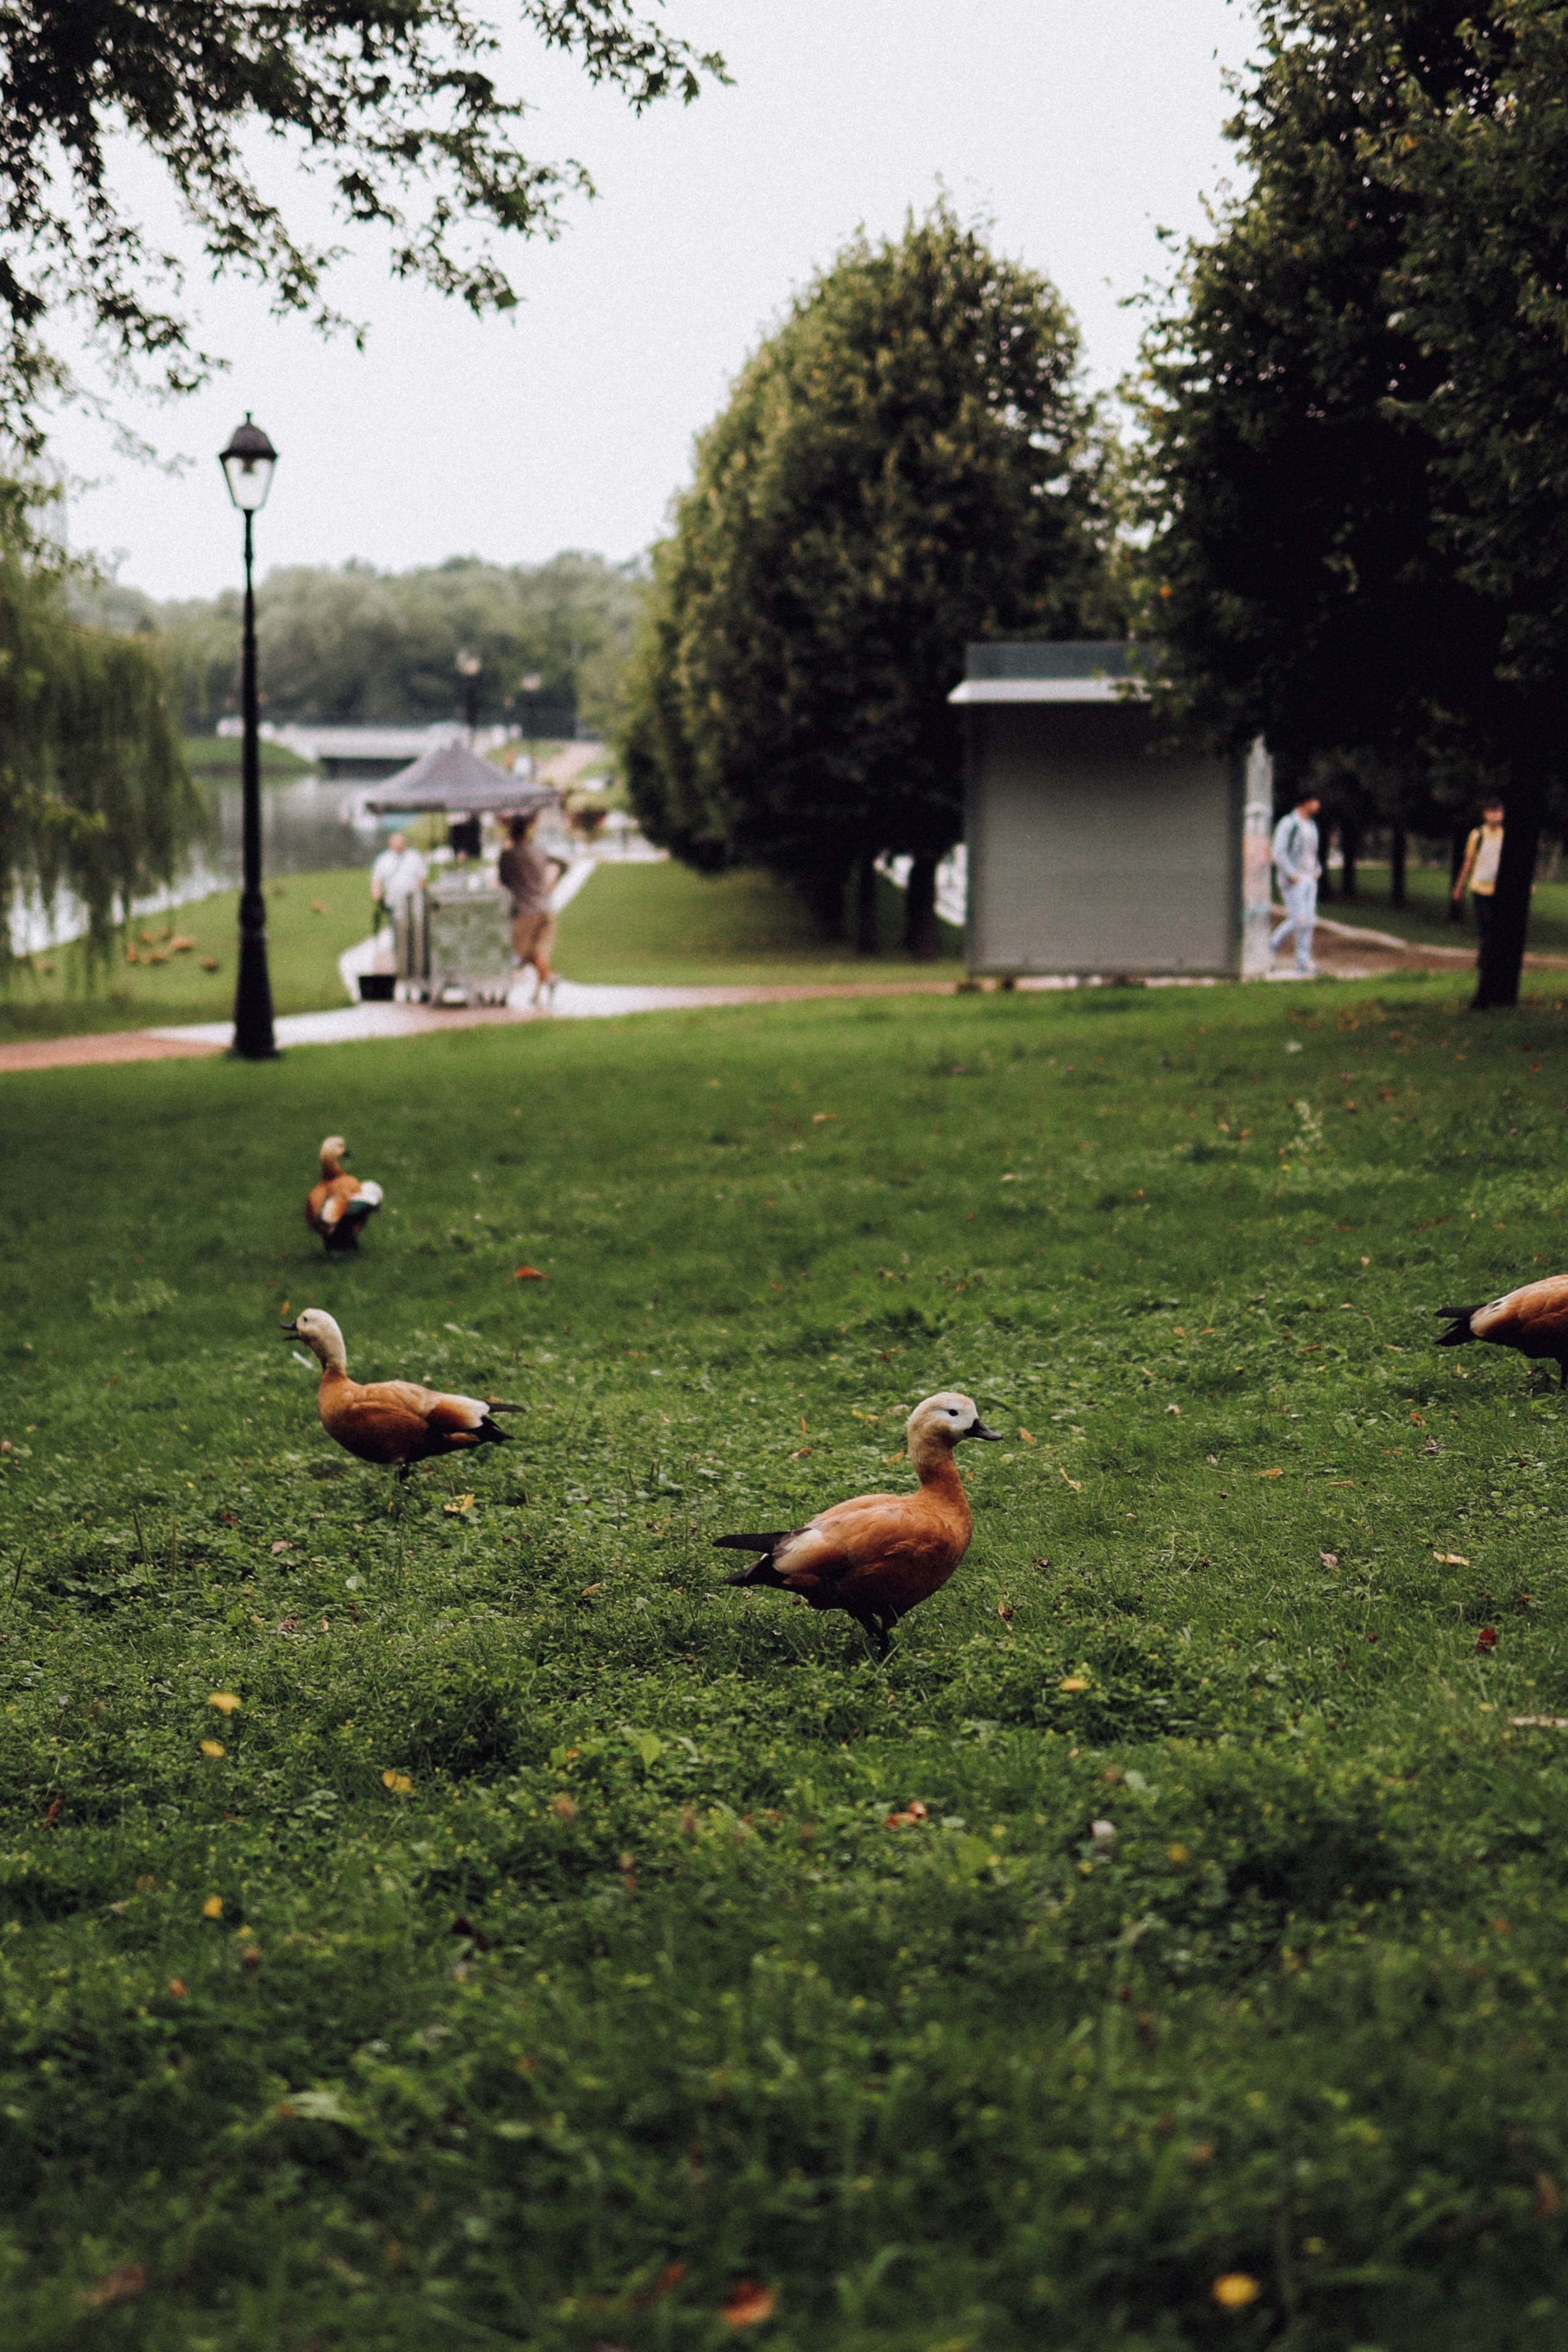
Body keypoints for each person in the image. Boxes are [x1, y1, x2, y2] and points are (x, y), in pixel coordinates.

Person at [498, 810, 564, 1003]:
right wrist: (549, 884)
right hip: (547, 908)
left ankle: (548, 979)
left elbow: (504, 880)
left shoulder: (509, 856)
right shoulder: (539, 851)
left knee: (516, 951)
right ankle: (544, 986)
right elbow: (562, 863)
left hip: (527, 912)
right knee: (540, 952)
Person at [1270, 791, 1322, 977]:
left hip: (1309, 879)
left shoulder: (1311, 825)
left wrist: (1317, 869)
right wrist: (1291, 874)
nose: (1318, 805)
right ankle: (1270, 948)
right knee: (1298, 919)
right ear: (1305, 802)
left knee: (1308, 921)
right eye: (1315, 801)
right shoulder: (1288, 824)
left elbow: (1312, 852)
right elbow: (1278, 852)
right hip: (1294, 880)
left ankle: (1303, 960)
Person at [1452, 797, 1506, 962]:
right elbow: (1468, 863)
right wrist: (1458, 887)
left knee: (1497, 927)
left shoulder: (1505, 835)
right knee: (1486, 925)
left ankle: (1490, 960)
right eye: (1493, 812)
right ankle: (1484, 962)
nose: (1497, 816)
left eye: (1499, 812)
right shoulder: (1477, 835)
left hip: (1499, 889)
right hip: (1480, 888)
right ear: (1485, 814)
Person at [370, 831, 427, 928]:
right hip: (394, 903)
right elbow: (376, 882)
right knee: (399, 930)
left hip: (413, 903)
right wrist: (379, 900)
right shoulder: (383, 860)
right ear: (390, 844)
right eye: (396, 842)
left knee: (416, 929)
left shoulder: (414, 857)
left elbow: (422, 879)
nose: (399, 845)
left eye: (401, 842)